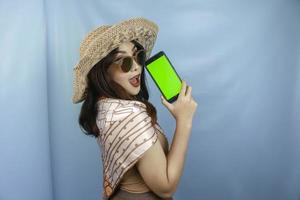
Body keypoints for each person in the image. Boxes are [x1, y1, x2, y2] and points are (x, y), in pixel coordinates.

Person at [72, 17, 198, 200]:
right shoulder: (129, 114)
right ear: (103, 72)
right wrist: (184, 120)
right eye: (125, 62)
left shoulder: (105, 108)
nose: (137, 68)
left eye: (138, 56)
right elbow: (166, 187)